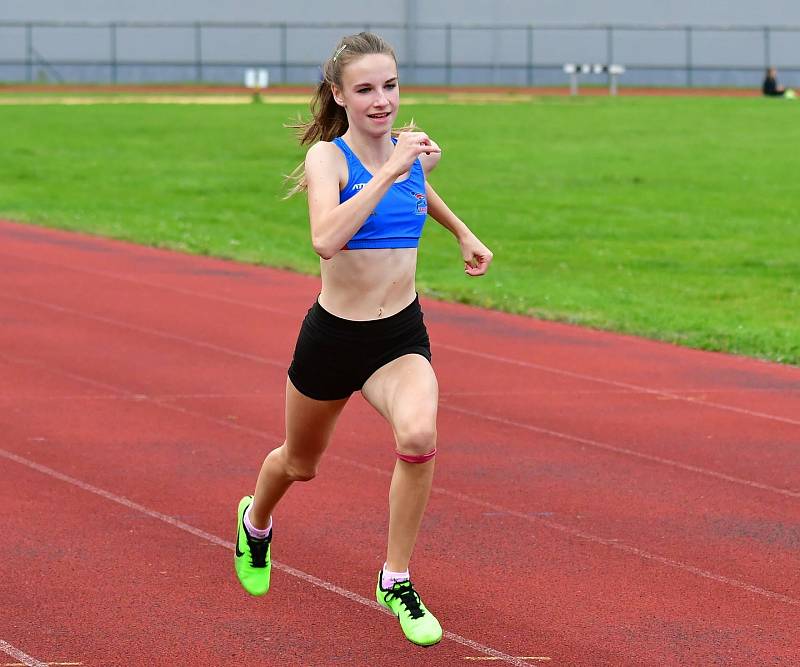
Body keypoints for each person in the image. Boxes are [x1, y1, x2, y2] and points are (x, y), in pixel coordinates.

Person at [233, 32, 493, 647]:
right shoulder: (330, 159)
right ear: (339, 95)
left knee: (420, 434)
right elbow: (326, 237)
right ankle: (256, 521)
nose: (383, 101)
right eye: (367, 89)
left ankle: (395, 578)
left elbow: (417, 192)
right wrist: (392, 168)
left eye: (391, 86)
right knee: (300, 464)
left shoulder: (412, 155)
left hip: (399, 334)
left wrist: (462, 231)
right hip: (333, 338)